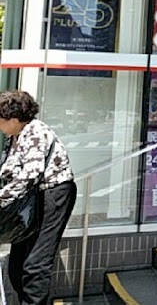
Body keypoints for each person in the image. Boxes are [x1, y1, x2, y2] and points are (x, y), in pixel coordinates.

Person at [0, 90, 76, 305]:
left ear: (14, 119)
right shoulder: (14, 136)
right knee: (17, 262)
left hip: (53, 195)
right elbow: (10, 171)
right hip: (31, 199)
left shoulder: (36, 133)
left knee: (36, 261)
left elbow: (29, 175)